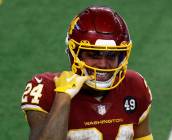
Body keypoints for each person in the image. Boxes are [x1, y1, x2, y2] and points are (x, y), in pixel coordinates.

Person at [21, 6, 153, 140]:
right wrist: (63, 97)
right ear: (75, 53)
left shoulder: (135, 86)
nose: (103, 64)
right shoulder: (45, 88)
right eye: (93, 55)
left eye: (111, 55)